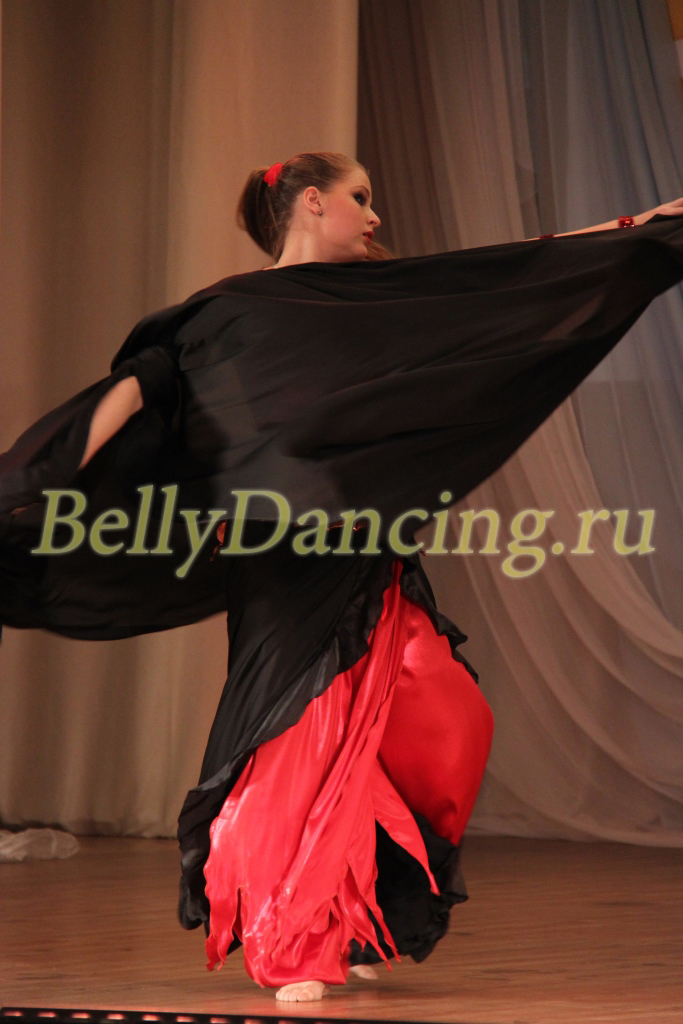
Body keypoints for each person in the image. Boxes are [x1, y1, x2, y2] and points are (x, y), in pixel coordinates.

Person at [1, 151, 683, 1003]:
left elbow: (513, 274)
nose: (373, 216)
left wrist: (642, 228)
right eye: (359, 197)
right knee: (304, 732)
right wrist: (37, 481)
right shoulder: (223, 312)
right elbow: (134, 392)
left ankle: (358, 914)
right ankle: (292, 939)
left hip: (368, 541)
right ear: (311, 203)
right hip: (280, 552)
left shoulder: (377, 297)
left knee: (440, 716)